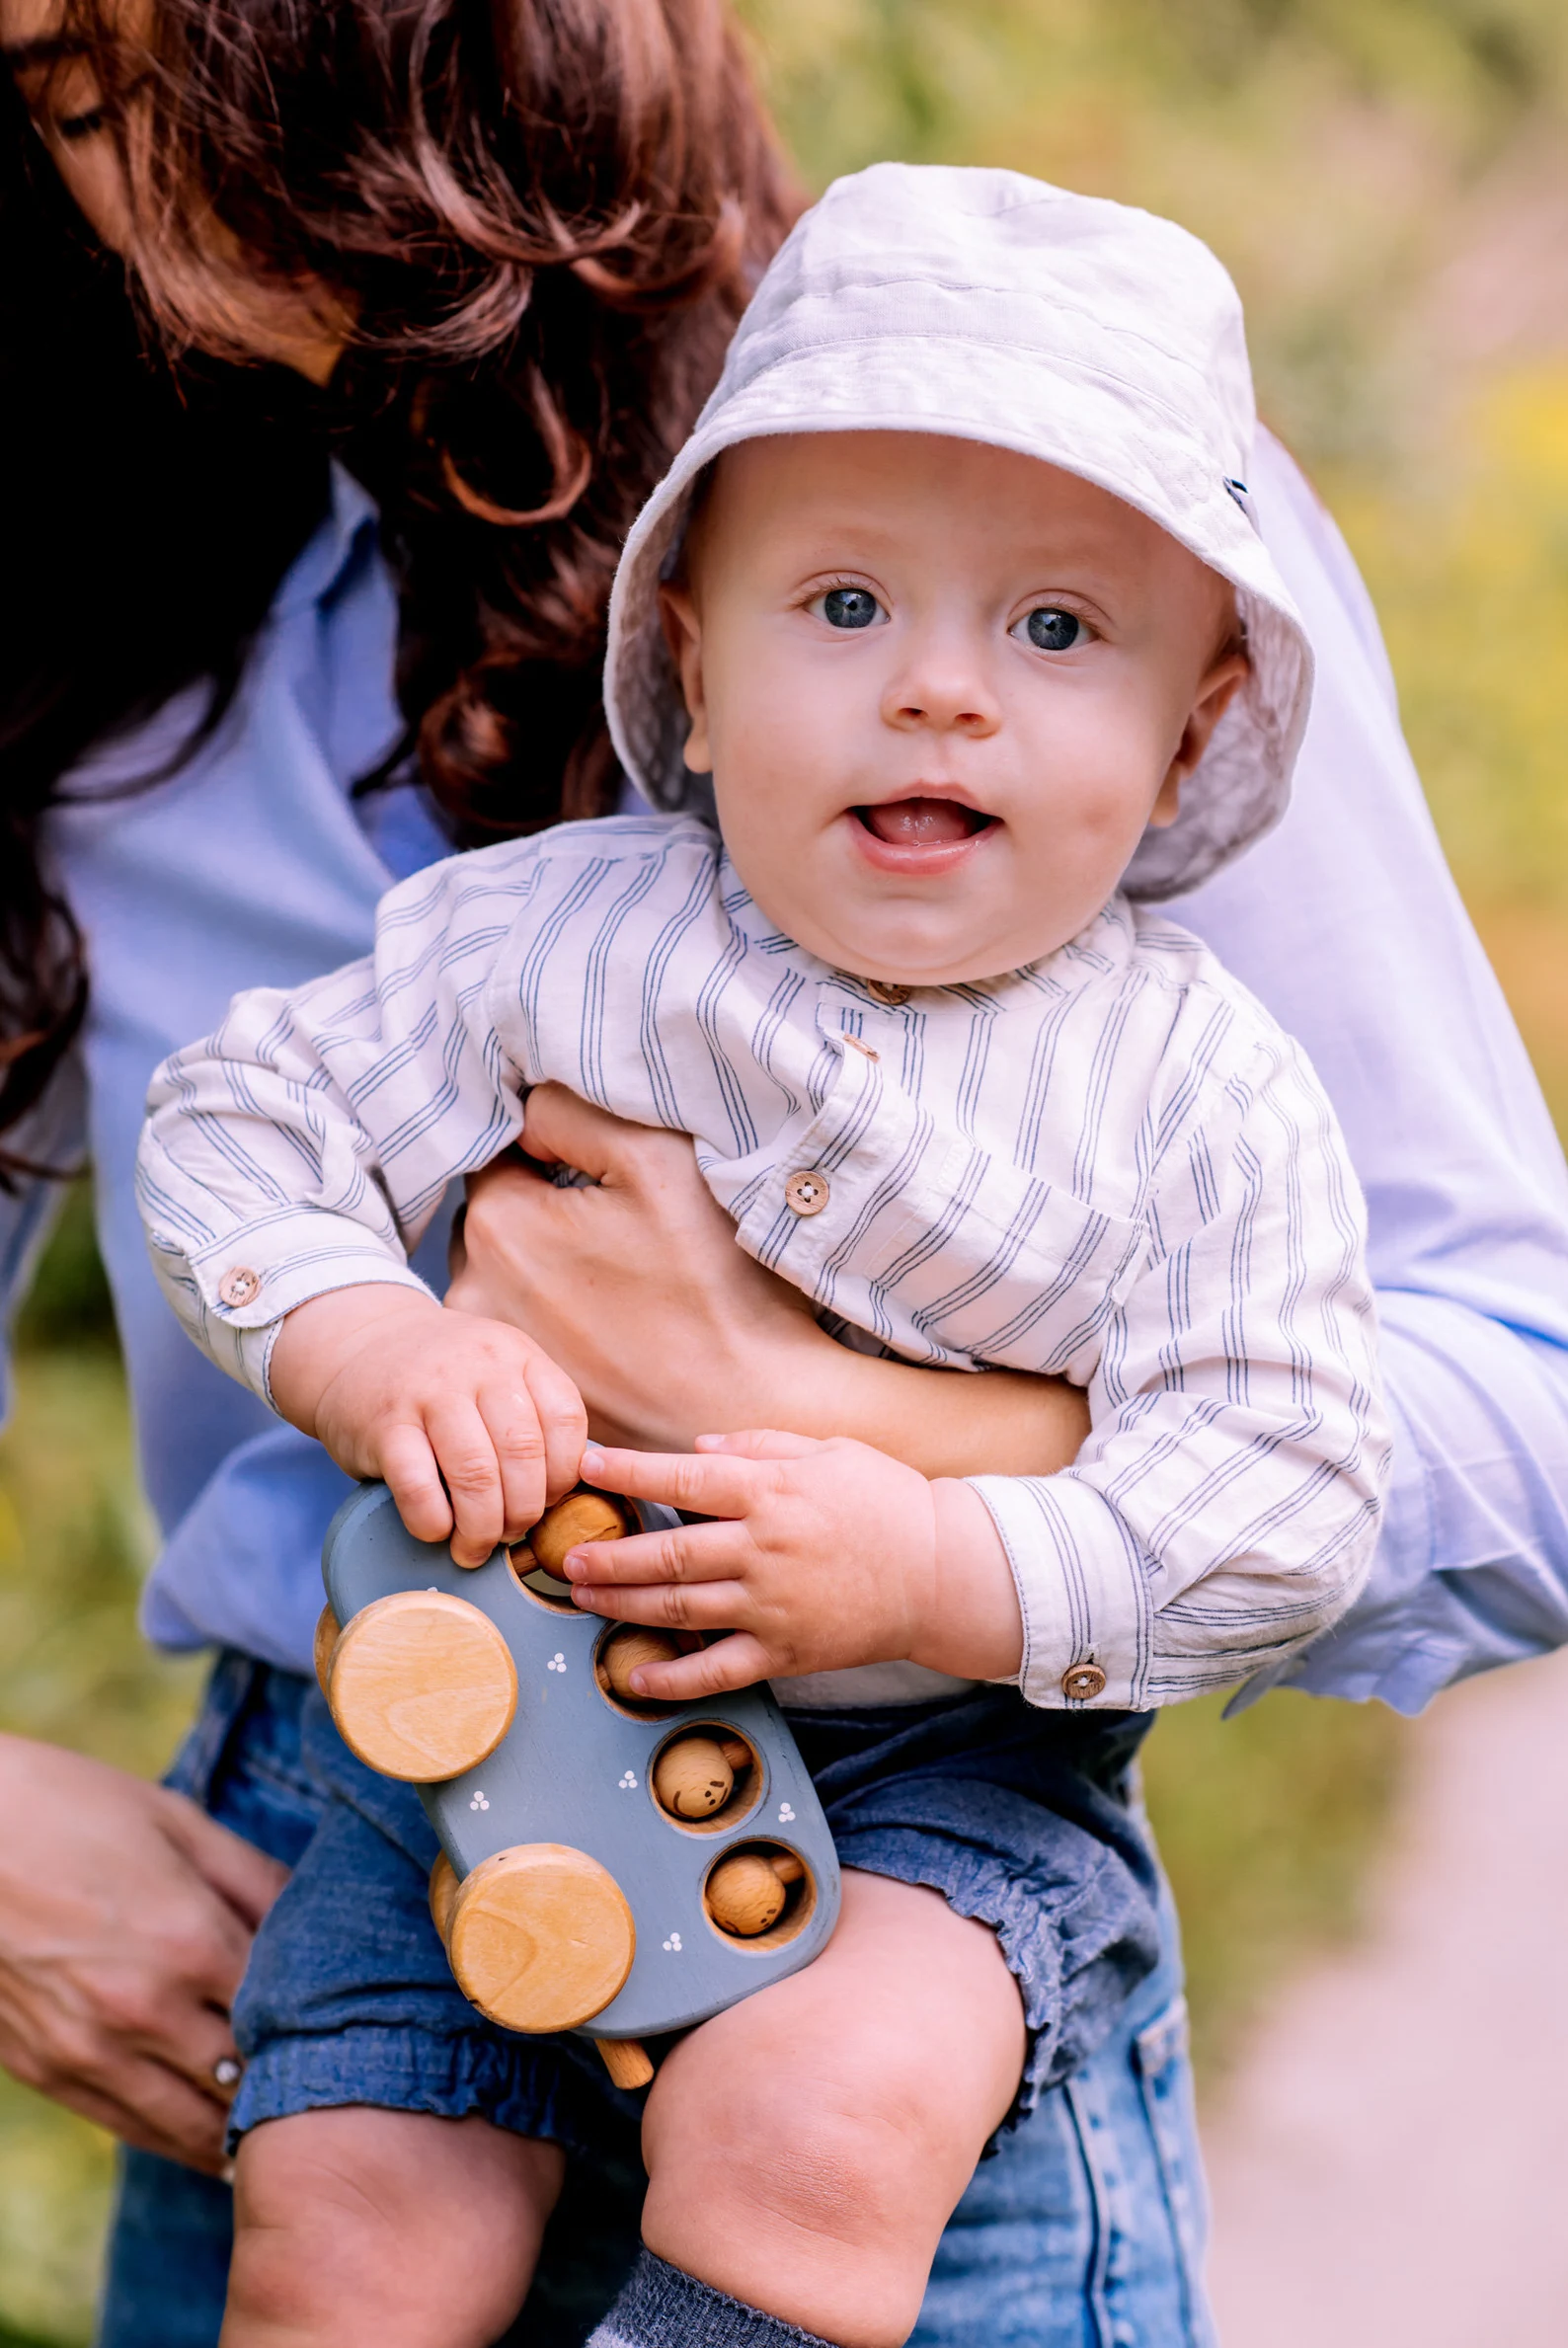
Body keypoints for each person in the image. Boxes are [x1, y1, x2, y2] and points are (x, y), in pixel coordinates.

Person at [0, 4, 1565, 2346]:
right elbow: (258, 1131)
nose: (110, 174)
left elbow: (1516, 1416)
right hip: (345, 1817)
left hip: (905, 1851)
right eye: (51, 85)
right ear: (688, 674)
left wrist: (894, 1476)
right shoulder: (96, 587)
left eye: (150, 66)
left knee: (812, 2165)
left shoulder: (1048, 450)